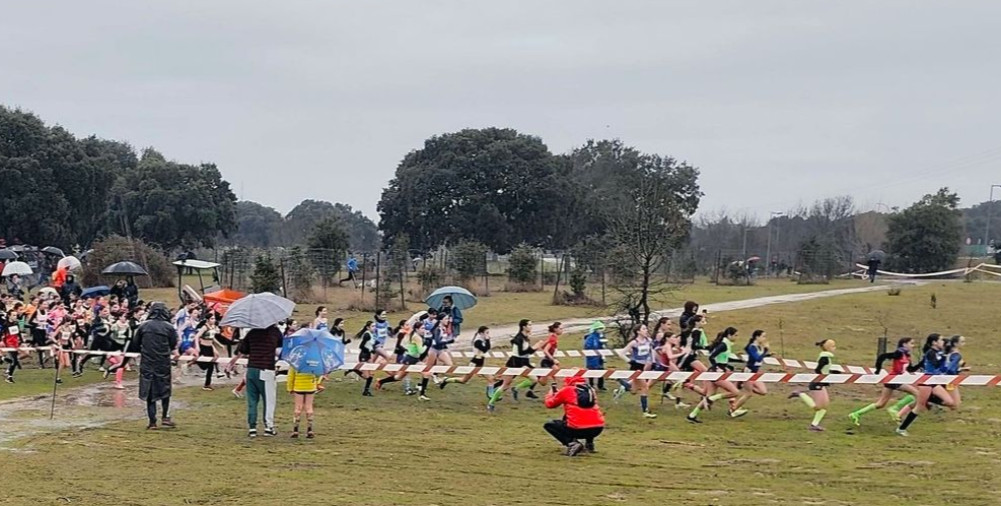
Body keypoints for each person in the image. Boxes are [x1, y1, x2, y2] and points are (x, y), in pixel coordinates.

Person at [848, 337, 921, 426]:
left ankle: (856, 414)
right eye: (911, 343)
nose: (913, 346)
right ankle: (895, 408)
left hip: (893, 379)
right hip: (894, 379)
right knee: (918, 394)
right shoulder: (899, 353)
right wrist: (878, 369)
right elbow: (882, 356)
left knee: (881, 404)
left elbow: (910, 369)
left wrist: (921, 363)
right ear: (904, 344)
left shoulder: (907, 355)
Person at [226, 323, 283, 438]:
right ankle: (268, 427)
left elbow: (243, 350)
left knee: (252, 400)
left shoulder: (252, 332)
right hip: (266, 369)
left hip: (251, 369)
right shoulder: (275, 332)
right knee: (269, 400)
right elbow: (279, 351)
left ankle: (252, 427)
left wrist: (232, 362)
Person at [134, 302, 177, 430]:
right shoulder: (169, 327)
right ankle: (165, 416)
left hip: (147, 363)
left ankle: (152, 422)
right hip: (163, 363)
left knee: (149, 392)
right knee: (165, 390)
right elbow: (173, 344)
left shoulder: (143, 326)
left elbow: (135, 344)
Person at [543, 377, 605, 456]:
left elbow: (550, 404)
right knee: (588, 414)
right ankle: (589, 444)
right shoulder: (590, 389)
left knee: (549, 425)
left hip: (578, 429)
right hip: (597, 428)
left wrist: (550, 394)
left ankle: (571, 443)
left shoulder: (567, 390)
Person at [788, 339, 838, 432]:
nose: (835, 348)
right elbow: (818, 370)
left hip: (821, 383)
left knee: (824, 406)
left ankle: (814, 425)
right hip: (817, 383)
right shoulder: (825, 358)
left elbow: (824, 370)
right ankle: (799, 394)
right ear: (828, 348)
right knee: (818, 407)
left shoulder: (827, 357)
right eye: (833, 346)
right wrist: (824, 377)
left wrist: (832, 373)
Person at [286, 364, 319, 439]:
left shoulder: (295, 363)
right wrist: (316, 383)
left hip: (298, 386)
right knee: (309, 408)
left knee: (298, 408)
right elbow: (318, 374)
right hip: (310, 386)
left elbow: (291, 376)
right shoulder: (314, 362)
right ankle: (310, 429)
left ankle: (295, 430)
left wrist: (290, 388)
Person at [583, 321, 607, 391]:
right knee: (592, 371)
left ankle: (601, 386)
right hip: (592, 357)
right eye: (599, 328)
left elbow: (603, 346)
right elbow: (588, 346)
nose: (601, 330)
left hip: (600, 357)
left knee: (601, 370)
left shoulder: (601, 337)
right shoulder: (591, 337)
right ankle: (591, 385)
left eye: (602, 328)